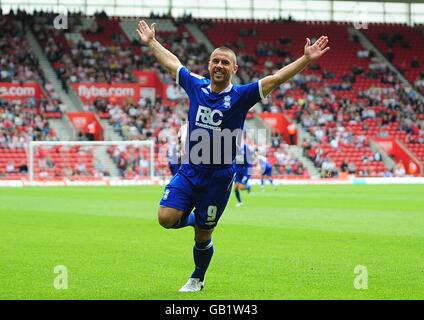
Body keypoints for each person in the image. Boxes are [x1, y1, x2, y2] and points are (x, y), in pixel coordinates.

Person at [136, 20, 330, 292]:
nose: (219, 66)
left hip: (219, 177)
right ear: (209, 64)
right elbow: (172, 63)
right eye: (215, 61)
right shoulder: (196, 86)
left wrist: (305, 59)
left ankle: (197, 278)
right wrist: (152, 42)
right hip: (190, 169)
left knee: (204, 236)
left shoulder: (241, 95)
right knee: (166, 218)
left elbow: (276, 79)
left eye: (225, 63)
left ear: (234, 69)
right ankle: (195, 218)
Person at [233, 142, 254, 207]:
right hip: (237, 171)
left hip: (245, 171)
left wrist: (248, 174)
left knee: (241, 187)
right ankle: (240, 202)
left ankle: (248, 187)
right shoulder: (233, 148)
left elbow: (250, 165)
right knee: (235, 187)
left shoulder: (245, 148)